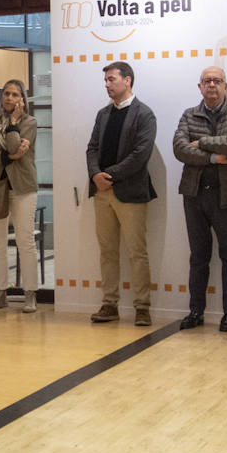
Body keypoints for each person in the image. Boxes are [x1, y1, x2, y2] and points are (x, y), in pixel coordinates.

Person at [172, 65, 227, 332]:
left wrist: (203, 142)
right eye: (206, 81)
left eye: (217, 81)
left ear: (225, 86)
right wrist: (213, 158)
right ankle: (196, 311)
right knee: (198, 257)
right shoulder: (189, 114)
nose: (211, 85)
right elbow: (180, 149)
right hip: (195, 195)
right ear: (199, 87)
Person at [84, 61, 158, 325]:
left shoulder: (144, 114)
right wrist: (95, 175)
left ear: (127, 81)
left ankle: (142, 307)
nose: (107, 84)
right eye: (105, 80)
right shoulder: (103, 114)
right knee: (107, 251)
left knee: (137, 252)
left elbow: (140, 155)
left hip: (130, 192)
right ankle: (109, 304)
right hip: (101, 192)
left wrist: (109, 175)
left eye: (111, 79)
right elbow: (92, 148)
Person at [0, 79, 40, 313]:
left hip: (23, 186)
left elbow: (15, 147)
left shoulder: (30, 122)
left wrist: (14, 123)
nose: (9, 98)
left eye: (15, 94)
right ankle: (0, 291)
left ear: (22, 99)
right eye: (6, 93)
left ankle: (30, 293)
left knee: (25, 241)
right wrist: (8, 157)